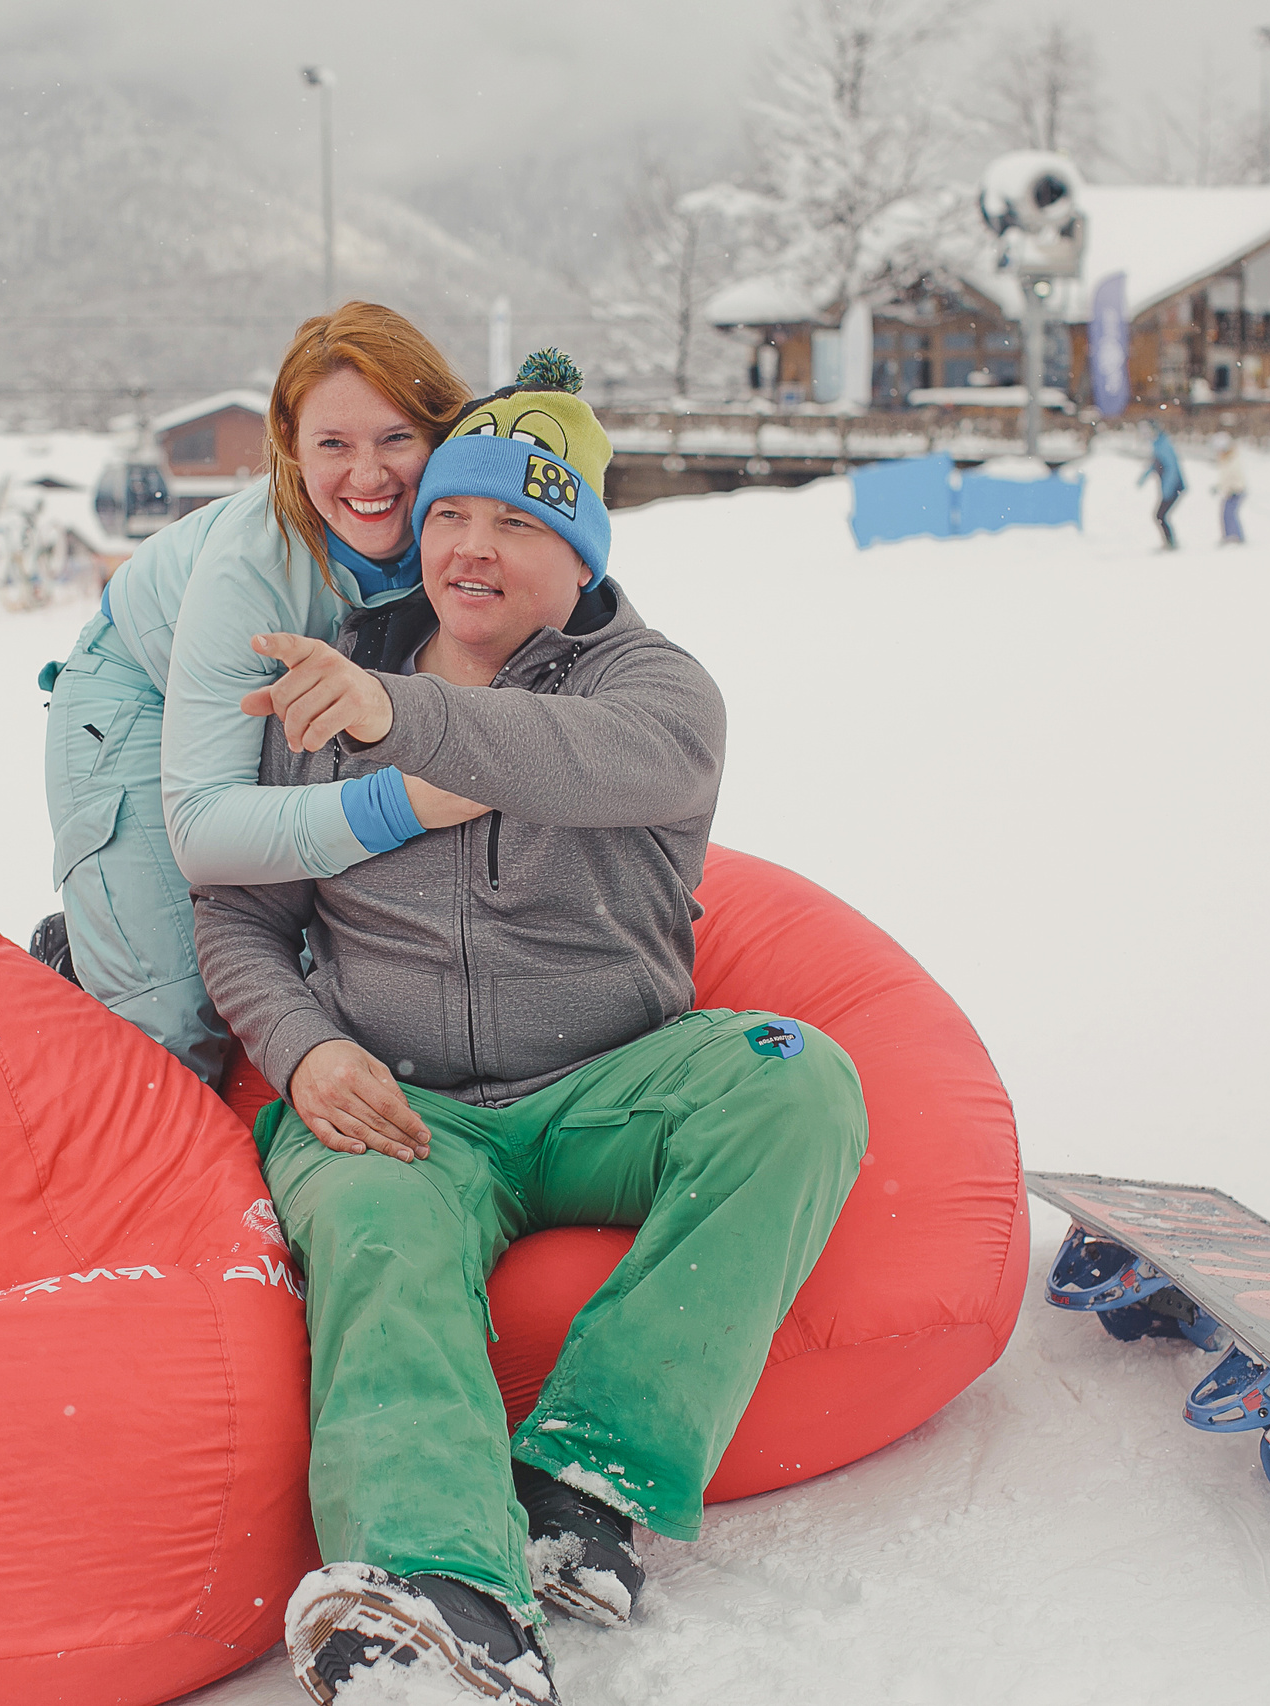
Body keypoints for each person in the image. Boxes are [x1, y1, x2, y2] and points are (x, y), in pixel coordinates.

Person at [194, 357, 865, 1706]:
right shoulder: (324, 693)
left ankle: (584, 1476)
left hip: (612, 1079)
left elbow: (579, 757)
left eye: (520, 523)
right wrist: (307, 1043)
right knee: (376, 1222)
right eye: (450, 515)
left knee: (803, 1084)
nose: (473, 548)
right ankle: (434, 1585)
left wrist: (402, 714)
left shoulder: (654, 686)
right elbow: (239, 917)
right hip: (405, 1098)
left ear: (582, 554)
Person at [36, 303, 478, 1085]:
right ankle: (89, 952)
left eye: (396, 438)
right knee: (175, 1032)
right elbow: (204, 827)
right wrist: (400, 803)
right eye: (333, 445)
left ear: (440, 434)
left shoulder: (465, 523)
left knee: (329, 957)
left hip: (305, 716)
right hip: (145, 687)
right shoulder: (251, 567)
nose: (369, 477)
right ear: (291, 449)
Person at [1136, 420, 1185, 549]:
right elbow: (1155, 464)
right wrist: (1143, 477)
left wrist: (1167, 489)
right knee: (1160, 516)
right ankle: (1170, 543)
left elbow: (1171, 468)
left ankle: (1171, 544)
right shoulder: (1157, 444)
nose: (1145, 435)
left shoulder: (1163, 445)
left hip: (1175, 486)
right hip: (1170, 487)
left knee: (1160, 515)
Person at [1211, 432, 1245, 545]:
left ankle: (1236, 536)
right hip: (1229, 491)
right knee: (1225, 513)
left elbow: (1234, 476)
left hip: (1236, 491)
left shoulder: (1232, 460)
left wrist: (1233, 487)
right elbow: (1224, 478)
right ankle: (1228, 536)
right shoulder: (1225, 460)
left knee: (1230, 513)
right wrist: (1218, 487)